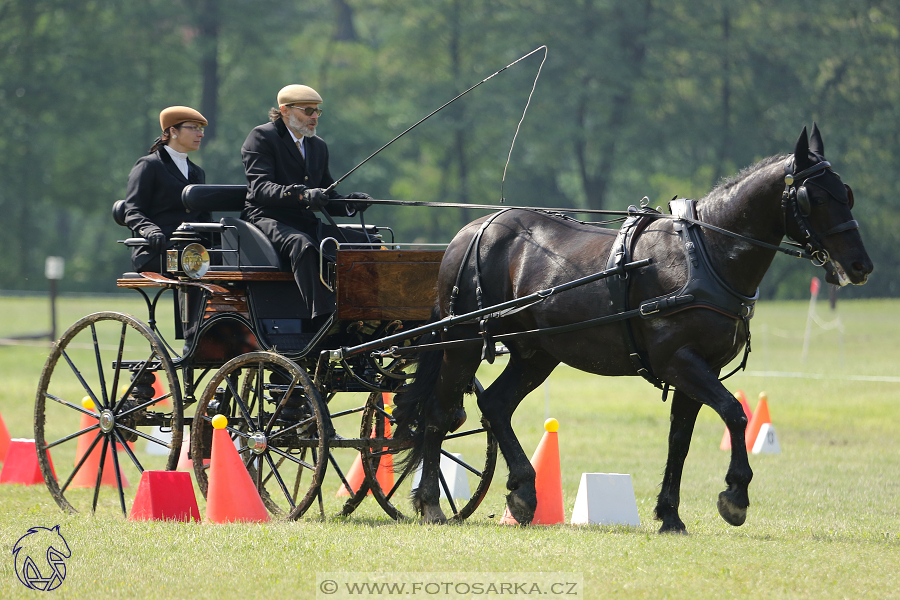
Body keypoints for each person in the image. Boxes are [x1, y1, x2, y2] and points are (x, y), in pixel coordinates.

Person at [241, 84, 372, 321]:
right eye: (308, 111)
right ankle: (323, 317)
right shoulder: (262, 137)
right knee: (303, 245)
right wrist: (301, 194)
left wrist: (351, 203)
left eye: (317, 112)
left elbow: (328, 197)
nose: (314, 117)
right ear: (285, 110)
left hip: (304, 221)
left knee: (367, 243)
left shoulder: (317, 146)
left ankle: (369, 310)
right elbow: (260, 189)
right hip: (266, 218)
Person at [123, 105, 209, 272]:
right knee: (195, 266)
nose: (200, 134)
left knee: (231, 262)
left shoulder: (197, 172)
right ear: (173, 131)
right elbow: (132, 211)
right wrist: (151, 231)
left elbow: (204, 218)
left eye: (201, 129)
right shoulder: (149, 165)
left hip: (192, 250)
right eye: (193, 128)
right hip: (155, 251)